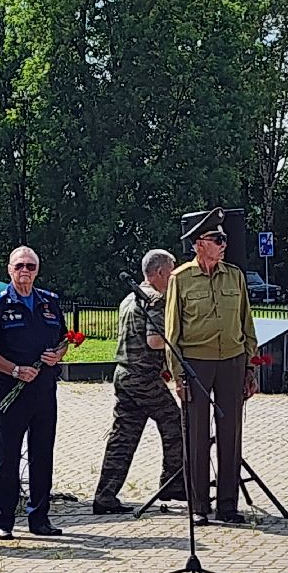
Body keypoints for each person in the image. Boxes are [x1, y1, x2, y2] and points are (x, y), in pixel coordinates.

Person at [164, 208, 260, 525]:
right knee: (196, 434)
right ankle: (199, 506)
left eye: (224, 238)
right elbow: (172, 332)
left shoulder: (235, 276)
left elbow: (247, 324)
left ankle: (228, 506)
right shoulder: (181, 279)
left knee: (231, 433)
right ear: (197, 243)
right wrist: (178, 376)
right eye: (216, 239)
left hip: (231, 361)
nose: (223, 244)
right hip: (196, 364)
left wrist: (250, 368)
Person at [0, 246, 66, 540]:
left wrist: (58, 354)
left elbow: (63, 340)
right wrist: (15, 370)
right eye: (19, 266)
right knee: (8, 457)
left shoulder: (50, 302)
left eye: (30, 266)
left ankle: (39, 518)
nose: (25, 272)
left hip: (44, 390)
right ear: (9, 269)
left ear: (37, 270)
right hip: (12, 392)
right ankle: (3, 519)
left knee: (43, 455)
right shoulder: (0, 305)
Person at [91, 249, 185, 515]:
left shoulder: (128, 299)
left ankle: (105, 495)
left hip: (124, 374)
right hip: (143, 377)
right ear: (159, 273)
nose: (175, 275)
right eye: (172, 270)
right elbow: (154, 341)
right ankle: (173, 484)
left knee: (123, 437)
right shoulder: (155, 300)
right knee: (176, 422)